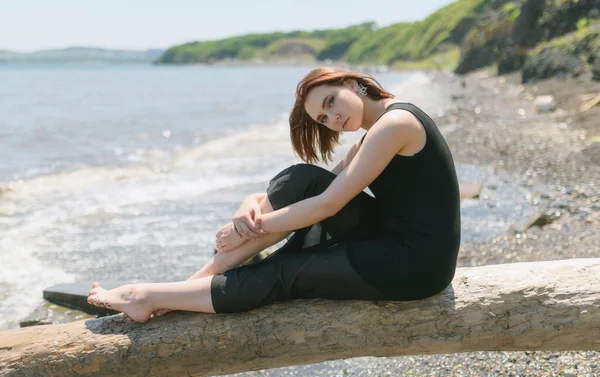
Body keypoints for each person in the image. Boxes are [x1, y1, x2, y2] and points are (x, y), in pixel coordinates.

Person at [87, 67, 461, 322]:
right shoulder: (374, 133)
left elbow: (330, 204)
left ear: (352, 84)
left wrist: (253, 227)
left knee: (283, 272)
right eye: (323, 119)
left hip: (416, 266)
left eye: (330, 102)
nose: (332, 119)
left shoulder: (395, 125)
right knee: (301, 177)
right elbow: (313, 186)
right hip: (393, 242)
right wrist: (248, 205)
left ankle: (149, 296)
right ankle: (194, 283)